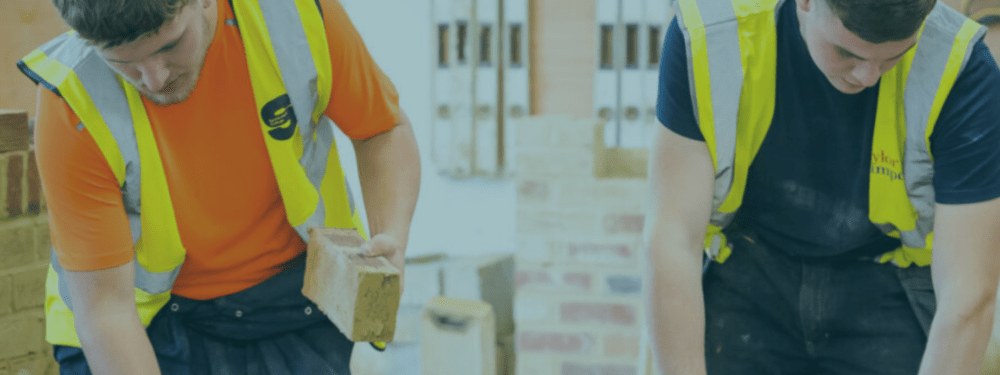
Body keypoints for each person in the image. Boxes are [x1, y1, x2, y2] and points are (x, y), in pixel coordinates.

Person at [17, 0, 420, 373]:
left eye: (171, 45)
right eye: (124, 62)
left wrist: (392, 239)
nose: (155, 80)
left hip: (289, 298)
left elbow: (381, 130)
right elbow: (106, 311)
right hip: (139, 321)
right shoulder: (70, 99)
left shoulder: (296, 16)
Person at [645, 0, 1000, 373]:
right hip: (746, 274)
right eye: (847, 51)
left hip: (885, 287)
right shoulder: (710, 36)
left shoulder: (962, 68)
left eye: (894, 57)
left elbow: (969, 292)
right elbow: (671, 238)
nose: (868, 76)